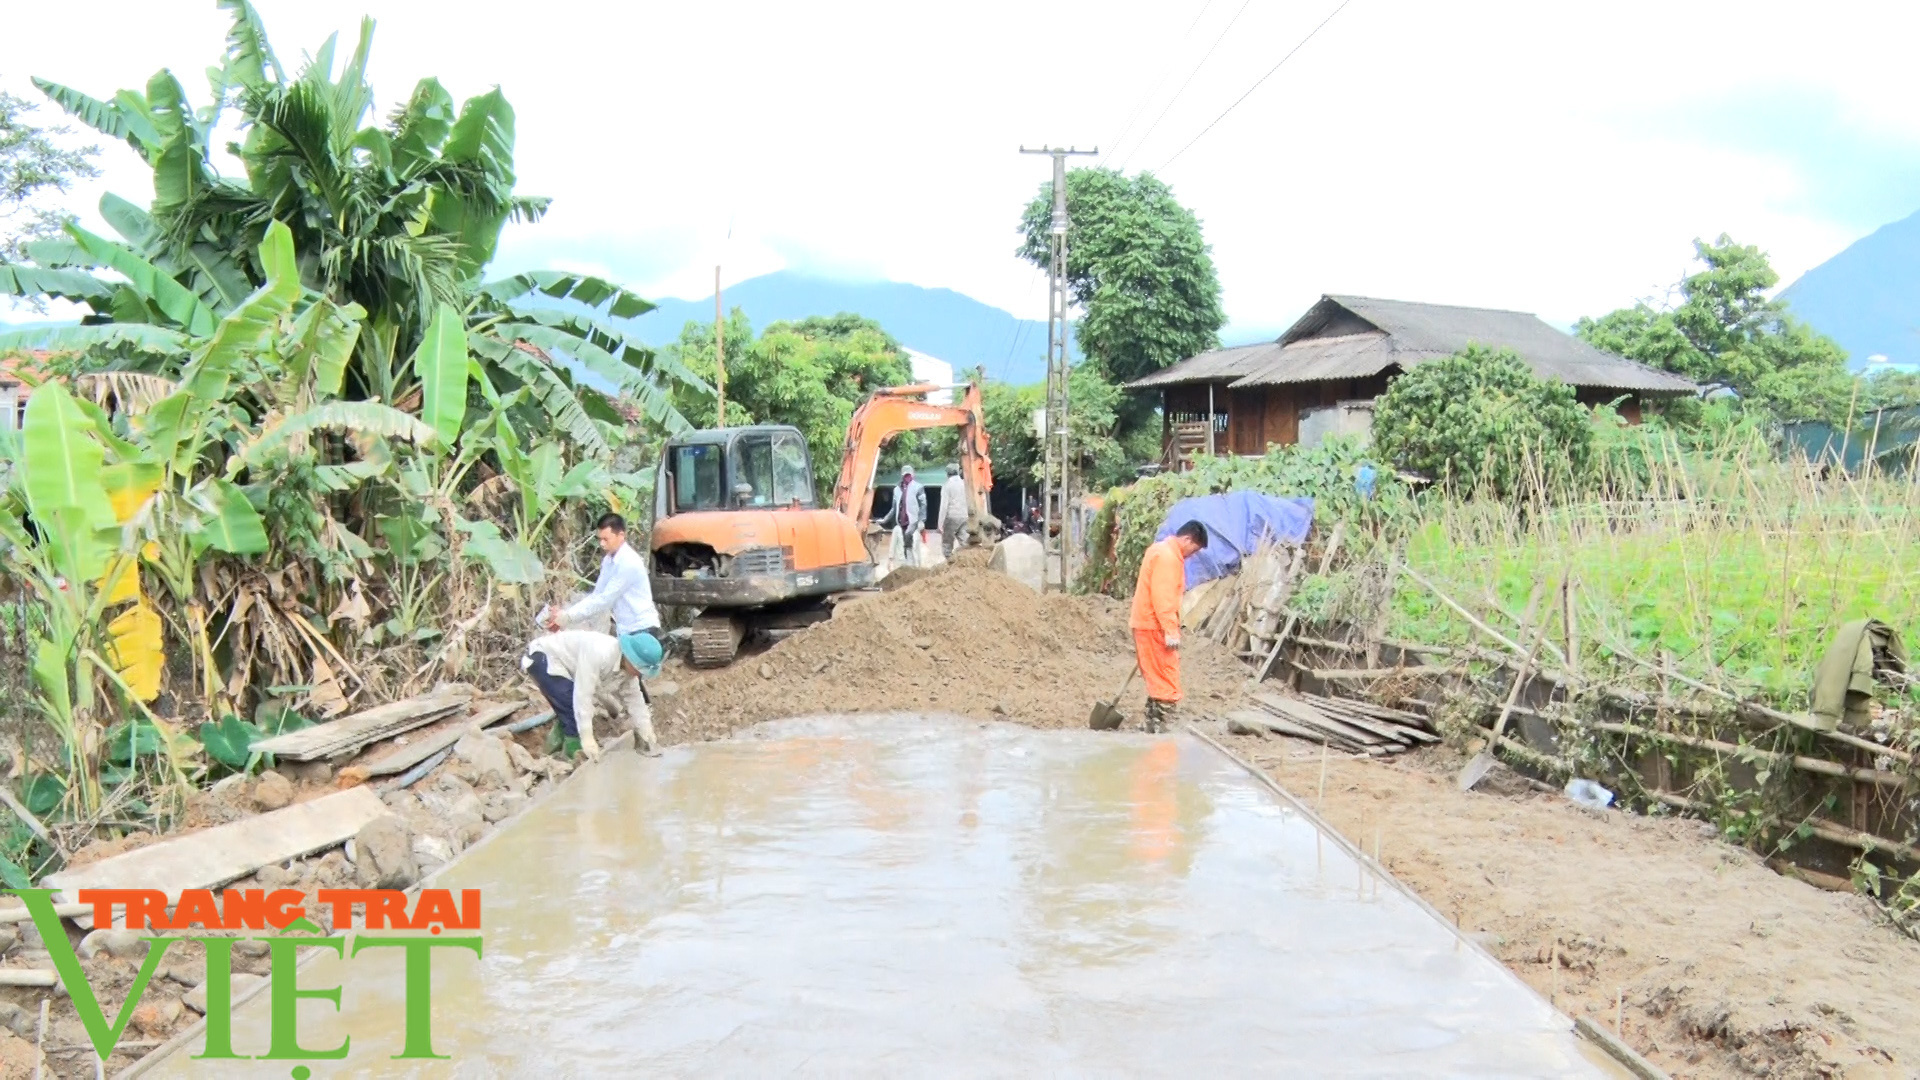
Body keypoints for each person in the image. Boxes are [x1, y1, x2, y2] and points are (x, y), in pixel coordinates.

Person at [521, 629, 663, 759]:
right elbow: (583, 695)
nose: (640, 674)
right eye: (640, 669)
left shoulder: (628, 671)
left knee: (569, 710)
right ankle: (575, 754)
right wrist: (587, 739)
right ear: (631, 659)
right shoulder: (599, 653)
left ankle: (551, 750)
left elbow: (635, 700)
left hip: (567, 668)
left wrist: (646, 730)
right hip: (544, 658)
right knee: (570, 704)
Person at [1128, 520, 1210, 734]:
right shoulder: (1168, 558)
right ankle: (1162, 726)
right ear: (1187, 539)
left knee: (1156, 675)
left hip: (1146, 622)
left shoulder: (1159, 550)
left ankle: (1151, 723)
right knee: (1166, 675)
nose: (1193, 554)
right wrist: (1170, 630)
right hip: (1154, 624)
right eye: (1195, 549)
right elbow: (1163, 597)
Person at [545, 512, 662, 643]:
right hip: (625, 629)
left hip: (642, 628)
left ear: (621, 536)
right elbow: (597, 595)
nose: (601, 544)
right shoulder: (608, 561)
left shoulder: (629, 562)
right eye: (599, 539)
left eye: (606, 539)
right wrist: (565, 614)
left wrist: (567, 617)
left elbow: (605, 599)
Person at [876, 466, 926, 568]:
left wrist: (921, 520)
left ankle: (916, 569)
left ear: (912, 475)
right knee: (902, 547)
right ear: (902, 476)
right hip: (901, 523)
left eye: (909, 475)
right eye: (905, 475)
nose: (907, 477)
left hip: (913, 523)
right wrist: (885, 519)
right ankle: (904, 569)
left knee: (914, 548)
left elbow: (923, 505)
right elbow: (894, 509)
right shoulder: (896, 490)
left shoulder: (918, 487)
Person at [939, 463, 969, 560]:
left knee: (947, 545)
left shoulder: (947, 485)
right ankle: (967, 562)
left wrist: (940, 523)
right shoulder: (965, 483)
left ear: (947, 474)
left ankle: (949, 564)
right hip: (965, 516)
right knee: (965, 542)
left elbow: (944, 506)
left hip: (952, 517)